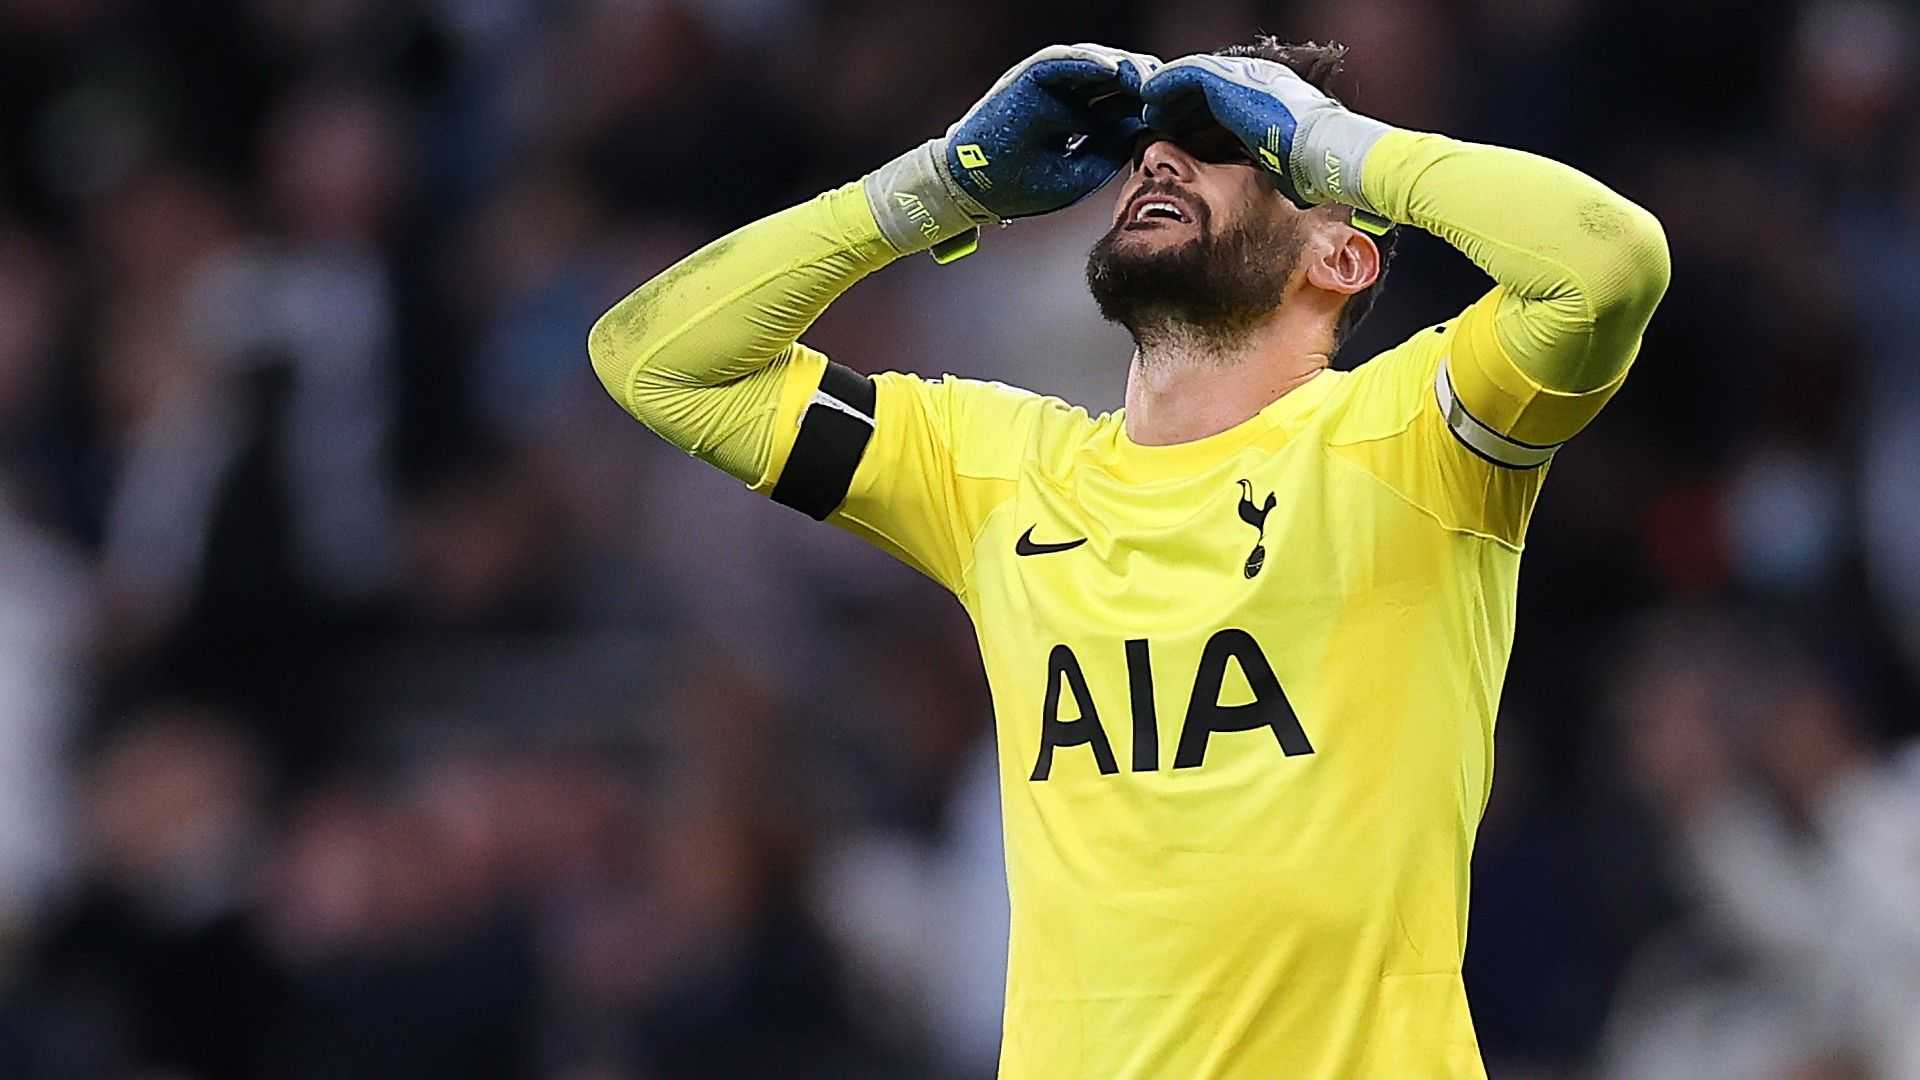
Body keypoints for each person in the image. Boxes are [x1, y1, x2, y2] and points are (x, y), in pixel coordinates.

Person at [588, 36, 1669, 1080]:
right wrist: (935, 189)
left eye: (1229, 142)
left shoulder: (1414, 440)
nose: (1159, 158)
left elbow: (1608, 263)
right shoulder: (1001, 474)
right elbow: (657, 362)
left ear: (1341, 254)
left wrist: (1331, 144)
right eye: (1148, 146)